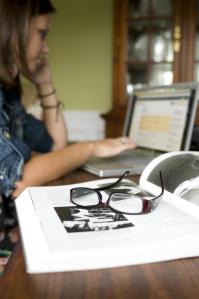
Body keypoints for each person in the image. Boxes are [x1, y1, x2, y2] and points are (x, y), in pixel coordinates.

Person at [0, 0, 135, 271]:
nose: (46, 47)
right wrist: (91, 148)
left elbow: (55, 145)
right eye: (43, 33)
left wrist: (46, 85)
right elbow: (17, 179)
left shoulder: (9, 95)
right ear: (13, 31)